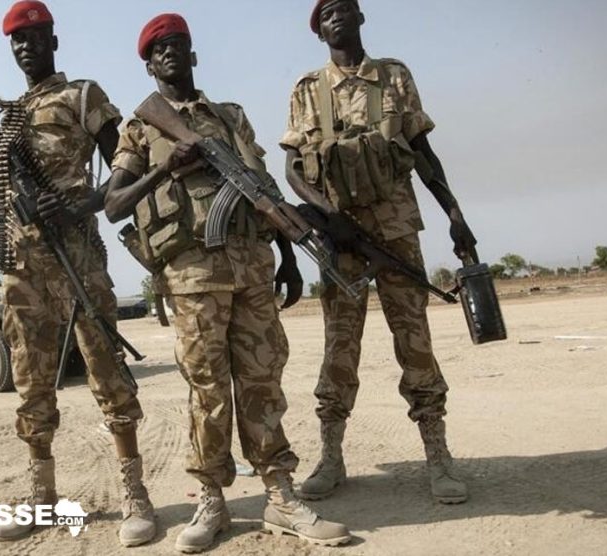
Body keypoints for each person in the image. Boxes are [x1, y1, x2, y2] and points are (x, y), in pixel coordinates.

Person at [105, 13, 351, 553]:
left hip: (253, 269)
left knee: (263, 381)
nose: (171, 52)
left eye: (180, 44)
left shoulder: (231, 117)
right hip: (193, 277)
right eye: (160, 49)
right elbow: (114, 204)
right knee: (208, 392)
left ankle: (280, 493)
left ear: (194, 55)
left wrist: (287, 256)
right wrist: (167, 168)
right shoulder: (141, 128)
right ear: (149, 66)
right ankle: (211, 498)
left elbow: (261, 191)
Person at [279, 0, 477, 505]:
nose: (337, 17)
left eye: (345, 9)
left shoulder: (393, 77)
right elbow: (293, 171)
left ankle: (438, 457)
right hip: (340, 240)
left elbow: (424, 154)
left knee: (415, 341)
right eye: (327, 14)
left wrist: (455, 215)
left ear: (361, 18)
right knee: (339, 348)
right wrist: (330, 216)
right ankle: (331, 457)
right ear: (318, 31)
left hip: (395, 233)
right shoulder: (307, 89)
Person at [0, 1, 155, 547]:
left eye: (35, 36)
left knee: (106, 369)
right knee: (30, 379)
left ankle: (135, 494)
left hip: (75, 254)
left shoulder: (82, 95)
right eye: (17, 40)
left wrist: (77, 206)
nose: (26, 46)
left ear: (53, 42)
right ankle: (43, 498)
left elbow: (128, 167)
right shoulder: (10, 115)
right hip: (22, 266)